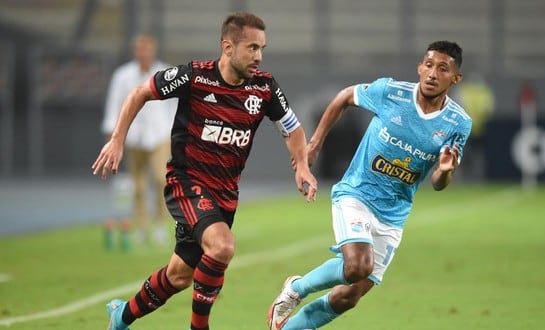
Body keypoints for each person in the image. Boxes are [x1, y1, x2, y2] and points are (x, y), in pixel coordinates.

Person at [92, 12, 317, 330]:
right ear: (228, 47)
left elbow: (292, 129)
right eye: (252, 48)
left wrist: (302, 165)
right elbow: (140, 93)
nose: (259, 56)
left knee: (179, 276)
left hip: (225, 194)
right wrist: (117, 139)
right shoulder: (195, 77)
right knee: (222, 246)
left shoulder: (264, 88)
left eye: (261, 48)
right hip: (187, 182)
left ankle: (121, 317)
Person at [267, 40, 472, 330]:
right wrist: (314, 144)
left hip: (393, 215)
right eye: (428, 65)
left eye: (442, 68)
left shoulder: (458, 123)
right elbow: (344, 97)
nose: (432, 74)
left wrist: (445, 170)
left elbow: (439, 183)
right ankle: (296, 288)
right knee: (357, 266)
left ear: (455, 78)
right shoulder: (391, 92)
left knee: (349, 297)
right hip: (357, 195)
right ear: (419, 67)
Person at [101, 34, 178, 244]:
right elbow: (114, 105)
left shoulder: (165, 73)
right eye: (140, 49)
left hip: (159, 135)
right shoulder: (123, 76)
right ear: (136, 51)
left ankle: (160, 225)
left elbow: (173, 107)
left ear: (153, 51)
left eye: (148, 49)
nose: (144, 53)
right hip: (133, 136)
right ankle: (142, 227)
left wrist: (173, 135)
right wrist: (113, 137)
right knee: (138, 186)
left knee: (162, 180)